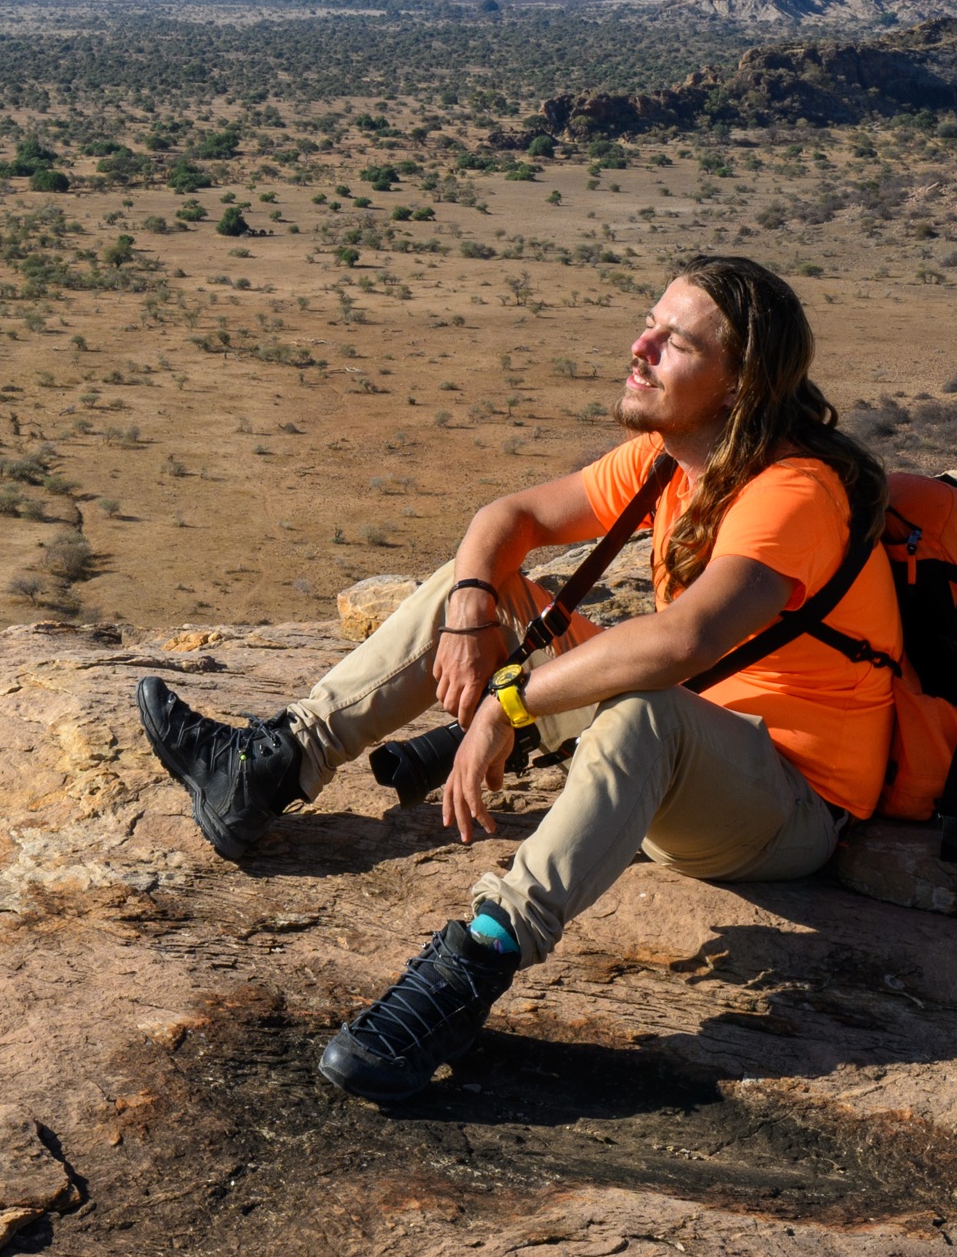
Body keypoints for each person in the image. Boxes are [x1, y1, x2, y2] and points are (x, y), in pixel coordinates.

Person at [134, 255, 901, 1102]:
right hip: (683, 743)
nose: (639, 347)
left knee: (647, 709)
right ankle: (268, 767)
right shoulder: (669, 459)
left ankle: (477, 962)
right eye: (649, 322)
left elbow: (683, 641)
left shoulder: (792, 490)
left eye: (674, 342)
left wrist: (509, 703)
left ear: (739, 384)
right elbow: (507, 519)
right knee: (482, 584)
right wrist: (469, 613)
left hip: (780, 804)